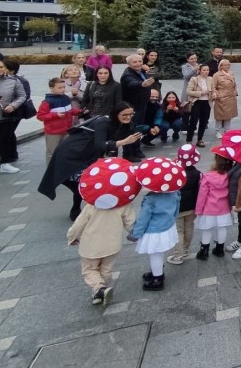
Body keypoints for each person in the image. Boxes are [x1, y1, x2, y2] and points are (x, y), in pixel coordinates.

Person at [66, 165, 136, 306]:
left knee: (89, 269)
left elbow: (78, 225)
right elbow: (131, 223)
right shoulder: (123, 205)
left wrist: (72, 237)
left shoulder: (91, 206)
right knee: (106, 269)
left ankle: (99, 289)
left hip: (91, 246)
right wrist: (136, 234)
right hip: (112, 245)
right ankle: (101, 292)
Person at [129, 158, 184, 292]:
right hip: (167, 227)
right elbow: (176, 211)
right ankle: (157, 271)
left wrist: (136, 234)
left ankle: (157, 279)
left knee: (155, 254)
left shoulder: (150, 199)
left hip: (154, 231)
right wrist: (172, 221)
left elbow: (143, 219)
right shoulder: (175, 193)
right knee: (159, 253)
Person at [194, 148, 234, 261]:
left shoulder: (207, 176)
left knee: (206, 229)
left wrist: (198, 210)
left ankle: (204, 251)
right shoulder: (230, 176)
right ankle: (220, 249)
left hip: (209, 208)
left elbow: (202, 195)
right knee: (222, 228)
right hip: (224, 208)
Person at [167, 144, 201, 265]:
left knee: (178, 231)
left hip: (177, 208)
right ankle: (185, 251)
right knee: (189, 228)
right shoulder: (197, 174)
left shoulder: (175, 173)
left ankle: (178, 255)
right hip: (192, 207)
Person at [0, 59, 26, 174]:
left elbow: (22, 96)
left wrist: (13, 106)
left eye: (1, 67)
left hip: (6, 116)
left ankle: (5, 163)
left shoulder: (13, 80)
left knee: (5, 141)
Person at [37, 77, 81, 162]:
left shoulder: (66, 98)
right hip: (53, 132)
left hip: (66, 130)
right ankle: (51, 169)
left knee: (65, 151)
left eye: (64, 87)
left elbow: (69, 111)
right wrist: (55, 115)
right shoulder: (47, 102)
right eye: (59, 88)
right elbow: (40, 116)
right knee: (52, 153)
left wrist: (79, 111)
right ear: (52, 88)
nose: (63, 89)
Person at [120, 54, 155, 160]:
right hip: (132, 107)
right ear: (129, 64)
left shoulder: (141, 71)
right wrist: (142, 84)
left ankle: (136, 149)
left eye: (140, 61)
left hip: (141, 106)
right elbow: (132, 83)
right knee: (130, 130)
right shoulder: (127, 75)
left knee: (138, 129)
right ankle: (128, 153)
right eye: (134, 62)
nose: (138, 64)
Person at [184, 64, 213, 147]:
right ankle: (189, 140)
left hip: (207, 102)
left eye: (207, 70)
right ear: (199, 71)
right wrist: (201, 93)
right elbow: (188, 91)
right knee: (193, 121)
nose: (206, 72)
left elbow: (213, 89)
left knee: (204, 122)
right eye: (204, 70)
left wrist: (214, 94)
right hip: (196, 102)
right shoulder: (194, 79)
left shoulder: (210, 79)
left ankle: (200, 139)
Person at [211, 59, 238, 138]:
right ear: (221, 66)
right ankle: (218, 131)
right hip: (221, 98)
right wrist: (217, 95)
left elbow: (234, 84)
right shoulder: (216, 75)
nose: (227, 66)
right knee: (219, 116)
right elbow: (213, 87)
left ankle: (227, 130)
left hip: (231, 97)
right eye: (225, 65)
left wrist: (235, 92)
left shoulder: (231, 73)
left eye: (229, 64)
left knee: (229, 115)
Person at [180, 52, 201, 134]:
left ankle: (193, 127)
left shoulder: (199, 65)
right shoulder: (184, 67)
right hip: (187, 89)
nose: (194, 60)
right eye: (191, 59)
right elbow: (186, 76)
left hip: (197, 90)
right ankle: (184, 127)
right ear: (187, 59)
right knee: (186, 108)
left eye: (195, 58)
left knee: (195, 109)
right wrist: (194, 69)